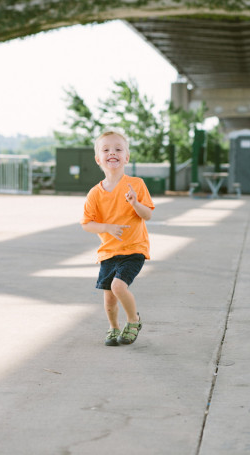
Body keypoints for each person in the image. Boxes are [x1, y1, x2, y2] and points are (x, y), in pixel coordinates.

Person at [81, 130, 155, 347]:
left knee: (118, 287)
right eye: (106, 150)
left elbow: (147, 215)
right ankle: (113, 327)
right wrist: (107, 227)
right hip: (109, 252)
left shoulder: (136, 185)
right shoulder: (95, 193)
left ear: (126, 157)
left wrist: (134, 202)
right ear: (98, 159)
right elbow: (86, 223)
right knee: (109, 298)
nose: (112, 153)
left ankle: (134, 321)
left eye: (118, 149)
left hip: (134, 249)